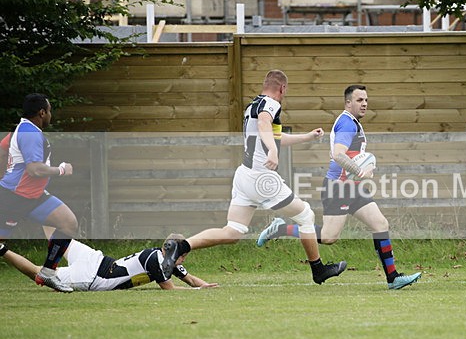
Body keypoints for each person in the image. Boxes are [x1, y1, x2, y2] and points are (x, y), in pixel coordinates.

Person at [162, 69, 347, 285]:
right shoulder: (271, 104)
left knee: (232, 232)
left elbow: (272, 135)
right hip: (262, 178)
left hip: (244, 176)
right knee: (305, 215)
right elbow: (264, 125)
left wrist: (306, 137)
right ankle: (318, 270)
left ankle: (181, 246)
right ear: (282, 88)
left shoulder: (253, 105)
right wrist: (273, 151)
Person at [257, 84, 421, 290]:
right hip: (339, 188)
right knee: (328, 237)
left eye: (366, 100)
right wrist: (361, 171)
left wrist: (366, 166)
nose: (364, 104)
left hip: (353, 187)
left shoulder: (353, 122)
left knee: (380, 224)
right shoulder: (347, 124)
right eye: (359, 100)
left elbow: (353, 155)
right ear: (348, 103)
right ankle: (281, 228)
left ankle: (393, 278)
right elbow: (338, 154)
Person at [0, 94, 79, 292]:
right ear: (42, 112)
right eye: (49, 110)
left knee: (68, 223)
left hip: (34, 196)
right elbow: (34, 169)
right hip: (14, 198)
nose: (50, 114)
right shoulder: (30, 133)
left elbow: (2, 150)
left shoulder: (24, 129)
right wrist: (61, 169)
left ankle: (48, 273)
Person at [0, 236, 217, 291]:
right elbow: (169, 289)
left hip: (98, 259)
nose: (183, 259)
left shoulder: (164, 258)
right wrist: (196, 292)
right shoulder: (156, 261)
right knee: (39, 274)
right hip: (94, 278)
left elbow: (188, 279)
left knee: (62, 234)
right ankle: (2, 249)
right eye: (182, 255)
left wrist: (203, 285)